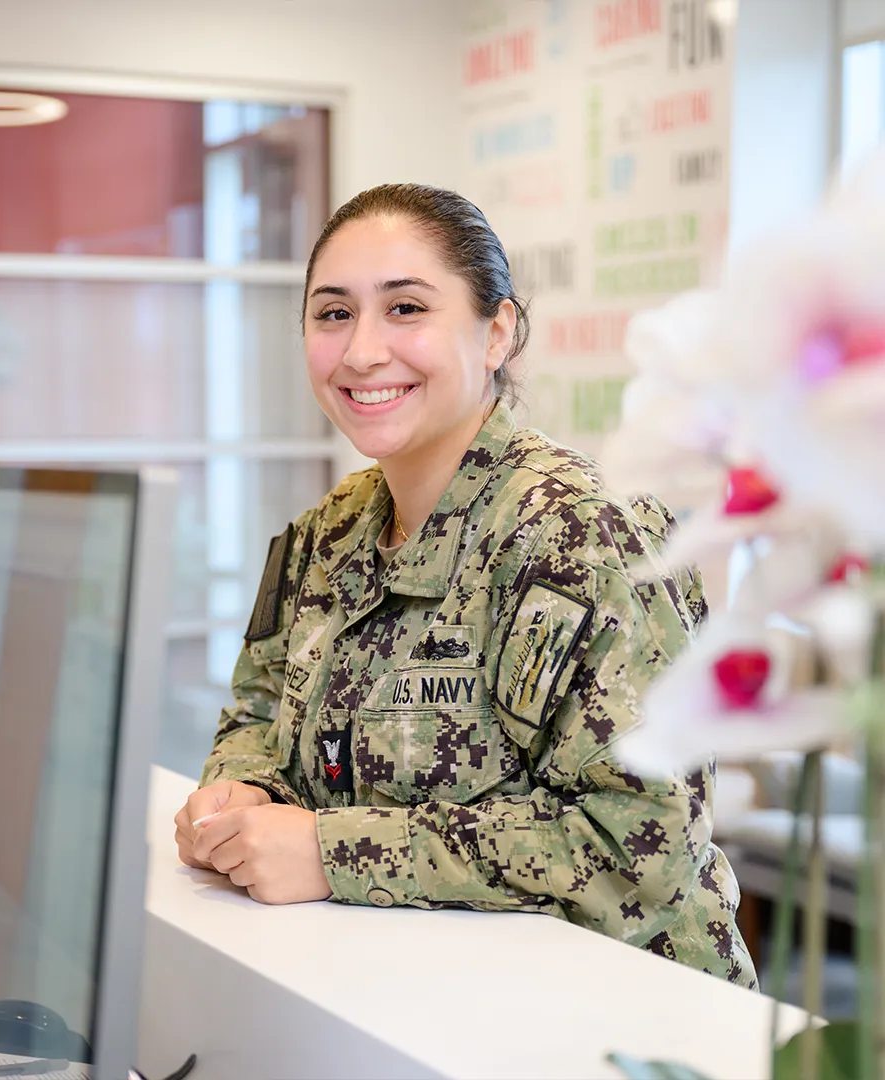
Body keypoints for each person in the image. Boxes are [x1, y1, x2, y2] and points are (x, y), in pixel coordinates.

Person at [173, 183, 757, 989]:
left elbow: (640, 849)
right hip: (408, 1008)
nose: (362, 352)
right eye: (333, 313)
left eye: (406, 308)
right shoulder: (331, 530)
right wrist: (242, 789)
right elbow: (259, 709)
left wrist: (330, 851)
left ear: (498, 332)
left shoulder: (582, 535)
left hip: (620, 1024)